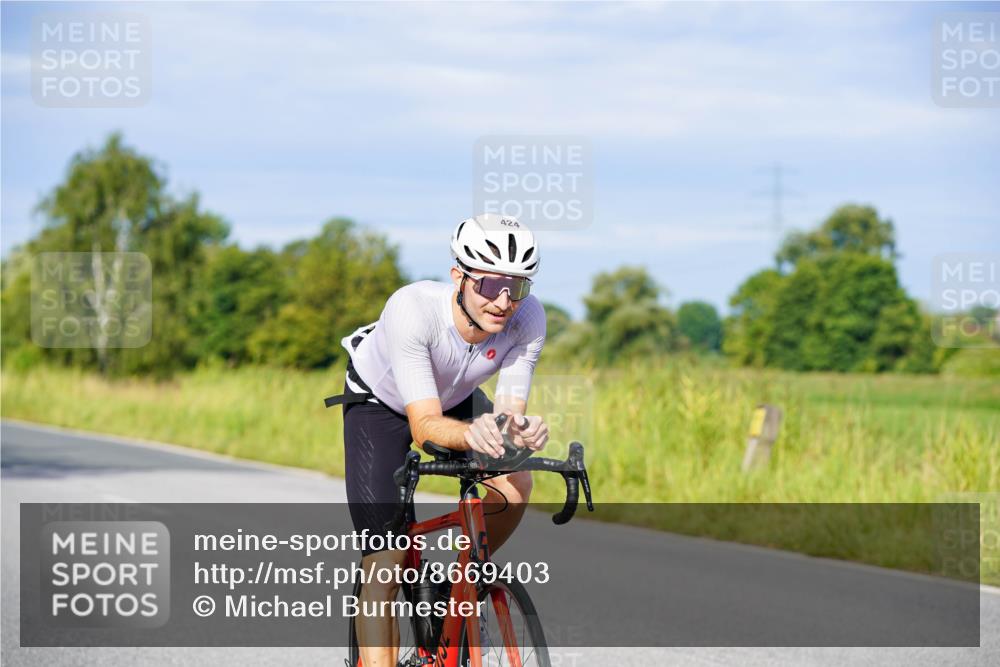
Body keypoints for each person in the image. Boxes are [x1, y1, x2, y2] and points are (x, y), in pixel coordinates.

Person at [327, 213, 549, 666]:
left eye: (517, 286)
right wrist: (472, 433)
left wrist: (519, 431)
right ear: (459, 277)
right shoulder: (411, 309)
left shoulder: (529, 318)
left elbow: (509, 412)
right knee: (385, 560)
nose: (504, 301)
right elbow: (425, 425)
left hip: (455, 396)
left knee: (515, 483)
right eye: (490, 285)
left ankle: (458, 584)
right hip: (381, 403)